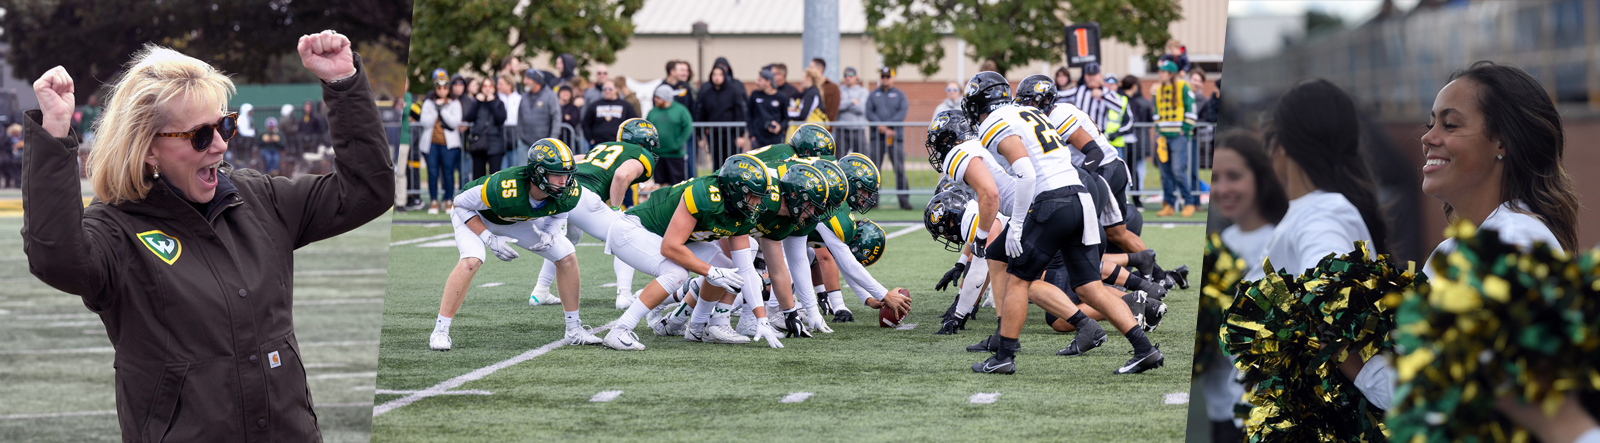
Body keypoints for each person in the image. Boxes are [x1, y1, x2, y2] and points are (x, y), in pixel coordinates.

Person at [23, 31, 391, 440]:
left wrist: (343, 83)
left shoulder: (258, 198)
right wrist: (55, 136)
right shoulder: (116, 229)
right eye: (200, 135)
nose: (219, 145)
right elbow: (55, 257)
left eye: (225, 126)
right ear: (148, 148)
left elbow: (365, 191)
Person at [959, 71, 1162, 375]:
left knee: (1018, 279)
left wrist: (1015, 226)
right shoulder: (1028, 112)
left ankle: (1004, 355)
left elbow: (1026, 173)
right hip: (1080, 198)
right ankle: (1145, 350)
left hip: (1053, 201)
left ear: (979, 102)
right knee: (1091, 287)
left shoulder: (994, 122)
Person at [429, 139, 601, 351]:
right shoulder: (505, 186)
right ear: (537, 173)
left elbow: (561, 211)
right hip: (477, 215)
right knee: (472, 259)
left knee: (566, 256)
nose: (564, 181)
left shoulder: (568, 189)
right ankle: (440, 330)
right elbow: (459, 204)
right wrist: (488, 238)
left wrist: (551, 231)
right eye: (557, 174)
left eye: (566, 174)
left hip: (514, 219)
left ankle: (574, 330)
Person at [1202, 131, 1287, 442]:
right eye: (1215, 178)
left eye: (1234, 176)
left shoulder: (1280, 241)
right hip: (1220, 412)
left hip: (1264, 414)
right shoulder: (1218, 246)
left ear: (1259, 178)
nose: (1223, 188)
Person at [1153, 55, 1198, 217]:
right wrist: (1158, 128)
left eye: (1163, 72)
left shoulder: (1183, 87)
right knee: (1165, 173)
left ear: (1170, 74)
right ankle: (1169, 204)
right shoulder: (1158, 89)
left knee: (1178, 170)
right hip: (1163, 137)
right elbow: (1156, 111)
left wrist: (1185, 129)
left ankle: (1189, 202)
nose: (1160, 74)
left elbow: (1191, 109)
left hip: (1178, 136)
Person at [865, 67, 910, 210]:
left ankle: (904, 201)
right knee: (874, 170)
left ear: (893, 78)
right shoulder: (873, 94)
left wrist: (888, 126)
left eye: (887, 76)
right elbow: (868, 111)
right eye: (883, 76)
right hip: (876, 138)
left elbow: (902, 112)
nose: (885, 79)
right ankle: (872, 200)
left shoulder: (900, 95)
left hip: (895, 137)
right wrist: (879, 125)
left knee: (899, 169)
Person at [419, 68, 463, 215]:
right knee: (432, 173)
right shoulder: (428, 103)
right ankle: (433, 201)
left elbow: (453, 123)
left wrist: (442, 109)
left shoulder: (454, 103)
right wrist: (436, 109)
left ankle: (448, 201)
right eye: (439, 88)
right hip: (431, 144)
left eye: (445, 87)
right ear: (435, 88)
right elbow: (425, 122)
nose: (442, 90)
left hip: (449, 145)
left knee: (448, 173)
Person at [696, 61, 748, 167]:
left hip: (731, 133)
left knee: (732, 161)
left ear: (725, 76)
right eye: (714, 74)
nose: (717, 77)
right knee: (717, 161)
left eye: (720, 74)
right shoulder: (706, 93)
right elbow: (702, 114)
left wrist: (740, 135)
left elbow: (740, 113)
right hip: (714, 134)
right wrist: (701, 137)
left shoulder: (734, 92)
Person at [647, 84, 692, 185]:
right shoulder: (652, 112)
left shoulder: (680, 110)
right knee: (660, 185)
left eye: (658, 97)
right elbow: (647, 129)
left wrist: (678, 143)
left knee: (677, 185)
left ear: (665, 98)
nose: (655, 99)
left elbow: (688, 127)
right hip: (658, 155)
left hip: (675, 155)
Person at [516, 69, 561, 168]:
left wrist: (552, 140)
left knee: (542, 171)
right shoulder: (525, 96)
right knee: (524, 171)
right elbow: (519, 117)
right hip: (524, 143)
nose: (524, 82)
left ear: (536, 80)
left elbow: (556, 118)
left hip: (544, 145)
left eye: (527, 79)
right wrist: (519, 137)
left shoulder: (550, 96)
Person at [1121, 74, 1153, 210]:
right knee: (1134, 171)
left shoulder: (1118, 99)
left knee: (1130, 171)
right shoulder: (1130, 101)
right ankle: (1135, 199)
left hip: (1125, 140)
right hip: (1128, 141)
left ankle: (1131, 198)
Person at [465, 77, 508, 179]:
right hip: (479, 144)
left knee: (495, 177)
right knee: (478, 177)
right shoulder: (477, 103)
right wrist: (477, 102)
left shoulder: (498, 103)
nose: (487, 88)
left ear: (494, 88)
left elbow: (501, 119)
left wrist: (492, 103)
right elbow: (468, 118)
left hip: (495, 144)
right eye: (485, 86)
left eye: (490, 86)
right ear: (481, 88)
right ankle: (479, 195)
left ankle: (493, 195)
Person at [583, 80, 639, 147]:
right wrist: (590, 139)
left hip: (619, 144)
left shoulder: (625, 105)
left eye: (610, 89)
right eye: (605, 89)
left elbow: (633, 123)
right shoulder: (595, 105)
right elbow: (586, 123)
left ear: (616, 89)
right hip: (598, 144)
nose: (607, 91)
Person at [747, 66, 790, 149]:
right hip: (758, 140)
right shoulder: (755, 95)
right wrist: (752, 136)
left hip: (775, 140)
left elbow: (786, 118)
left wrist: (780, 127)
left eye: (760, 80)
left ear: (768, 82)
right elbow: (749, 116)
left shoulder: (781, 97)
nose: (756, 83)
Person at [836, 67, 868, 157]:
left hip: (858, 130)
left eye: (850, 75)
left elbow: (861, 108)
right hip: (842, 130)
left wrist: (845, 103)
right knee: (839, 159)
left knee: (861, 159)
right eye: (845, 75)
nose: (848, 77)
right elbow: (837, 107)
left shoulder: (863, 91)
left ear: (856, 77)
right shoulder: (839, 90)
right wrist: (851, 101)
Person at [785, 68, 825, 139]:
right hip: (809, 131)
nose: (801, 81)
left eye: (803, 78)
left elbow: (803, 115)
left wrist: (786, 114)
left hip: (811, 133)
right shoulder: (807, 93)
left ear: (809, 78)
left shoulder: (811, 94)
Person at [497, 75, 523, 169]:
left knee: (514, 165)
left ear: (509, 85)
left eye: (501, 84)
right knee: (501, 167)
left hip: (514, 136)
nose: (498, 86)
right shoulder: (497, 98)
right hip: (500, 135)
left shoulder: (519, 99)